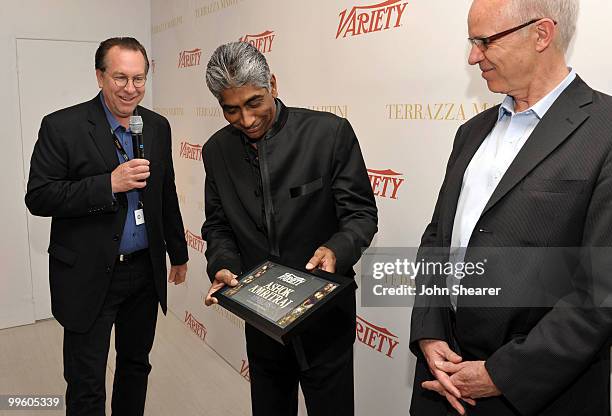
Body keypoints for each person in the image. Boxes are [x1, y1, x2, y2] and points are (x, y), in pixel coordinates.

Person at [410, 1, 612, 415]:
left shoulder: (605, 131)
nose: (472, 56)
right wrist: (429, 334)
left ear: (541, 34)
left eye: (484, 41)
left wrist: (502, 375)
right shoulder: (471, 132)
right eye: (471, 42)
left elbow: (602, 291)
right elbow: (436, 240)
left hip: (540, 393)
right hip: (442, 382)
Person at [201, 41, 377, 416]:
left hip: (325, 320)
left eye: (254, 103)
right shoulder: (216, 151)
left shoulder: (329, 134)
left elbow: (361, 214)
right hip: (262, 320)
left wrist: (337, 249)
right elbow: (217, 225)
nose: (246, 120)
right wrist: (222, 264)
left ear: (273, 85)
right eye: (230, 110)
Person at [25, 37, 188, 416]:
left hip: (144, 274)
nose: (130, 89)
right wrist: (107, 184)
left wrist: (177, 254)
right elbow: (40, 197)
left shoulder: (157, 126)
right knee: (86, 381)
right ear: (99, 76)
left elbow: (166, 194)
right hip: (87, 274)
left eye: (139, 78)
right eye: (119, 78)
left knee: (135, 366)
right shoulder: (61, 126)